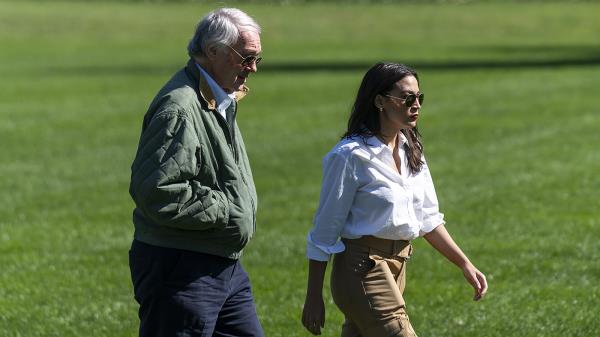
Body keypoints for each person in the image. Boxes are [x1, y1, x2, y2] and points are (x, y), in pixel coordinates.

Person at [301, 62, 488, 337]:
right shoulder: (350, 156)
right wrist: (313, 297)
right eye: (407, 98)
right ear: (379, 101)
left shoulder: (412, 148)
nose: (416, 105)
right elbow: (324, 232)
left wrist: (464, 263)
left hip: (397, 268)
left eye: (419, 98)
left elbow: (427, 219)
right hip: (362, 269)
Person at [128, 8, 264, 337]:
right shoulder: (180, 107)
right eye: (246, 58)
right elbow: (157, 191)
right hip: (183, 267)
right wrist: (227, 210)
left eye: (257, 58)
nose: (253, 68)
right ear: (214, 51)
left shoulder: (218, 97)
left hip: (222, 263)